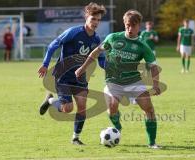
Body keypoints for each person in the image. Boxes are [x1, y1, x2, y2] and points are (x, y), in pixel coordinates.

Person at [75, 10, 162, 149]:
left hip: (134, 82)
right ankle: (118, 127)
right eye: (128, 25)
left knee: (149, 109)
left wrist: (156, 85)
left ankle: (152, 143)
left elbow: (153, 67)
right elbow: (96, 52)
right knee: (112, 107)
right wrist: (83, 67)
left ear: (139, 26)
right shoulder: (113, 38)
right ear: (124, 24)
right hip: (113, 82)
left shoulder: (142, 46)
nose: (130, 28)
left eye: (133, 26)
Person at [37, 2, 106, 145]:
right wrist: (45, 64)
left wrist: (112, 68)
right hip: (63, 75)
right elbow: (52, 46)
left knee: (82, 106)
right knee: (68, 109)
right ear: (86, 17)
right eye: (93, 19)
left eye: (98, 20)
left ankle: (75, 138)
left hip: (80, 77)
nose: (96, 23)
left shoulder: (96, 39)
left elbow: (101, 60)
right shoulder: (73, 32)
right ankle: (50, 101)